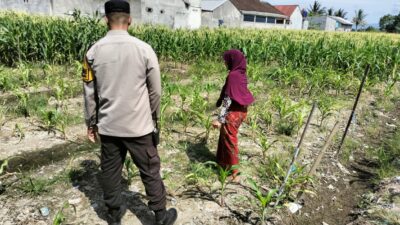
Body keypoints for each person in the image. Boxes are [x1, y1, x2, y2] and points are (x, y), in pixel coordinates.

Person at [82, 1, 177, 224]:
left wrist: (91, 122)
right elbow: (156, 90)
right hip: (139, 126)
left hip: (109, 126)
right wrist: (151, 115)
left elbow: (88, 93)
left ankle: (115, 216)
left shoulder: (92, 52)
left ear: (106, 20)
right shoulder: (144, 49)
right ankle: (161, 216)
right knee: (150, 169)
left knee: (110, 172)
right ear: (130, 19)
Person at [212, 49, 255, 183]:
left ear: (232, 60)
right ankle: (222, 162)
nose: (225, 63)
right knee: (225, 137)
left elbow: (228, 98)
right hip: (241, 111)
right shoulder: (241, 74)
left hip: (234, 113)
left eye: (226, 60)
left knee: (230, 141)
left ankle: (234, 173)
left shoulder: (233, 76)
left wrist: (220, 119)